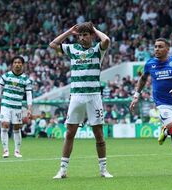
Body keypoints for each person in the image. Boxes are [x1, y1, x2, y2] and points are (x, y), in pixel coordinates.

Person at [49, 22, 113, 179]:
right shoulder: (72, 49)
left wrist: (95, 29)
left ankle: (103, 169)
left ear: (91, 36)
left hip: (94, 97)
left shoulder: (97, 49)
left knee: (98, 134)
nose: (82, 38)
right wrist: (69, 31)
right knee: (70, 133)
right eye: (80, 35)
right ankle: (63, 170)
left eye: (85, 35)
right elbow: (53, 44)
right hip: (76, 96)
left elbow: (107, 41)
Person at [130, 38, 172, 175]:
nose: (156, 49)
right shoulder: (150, 64)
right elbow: (143, 79)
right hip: (163, 105)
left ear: (167, 49)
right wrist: (136, 95)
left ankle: (165, 131)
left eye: (160, 47)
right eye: (155, 46)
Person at [0, 56, 32, 158]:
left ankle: (17, 151)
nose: (17, 64)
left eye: (19, 62)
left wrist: (29, 108)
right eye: (15, 62)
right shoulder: (6, 76)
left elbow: (29, 95)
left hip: (17, 106)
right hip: (5, 105)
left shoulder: (26, 79)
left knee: (16, 127)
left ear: (22, 65)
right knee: (5, 125)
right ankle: (5, 150)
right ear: (12, 64)